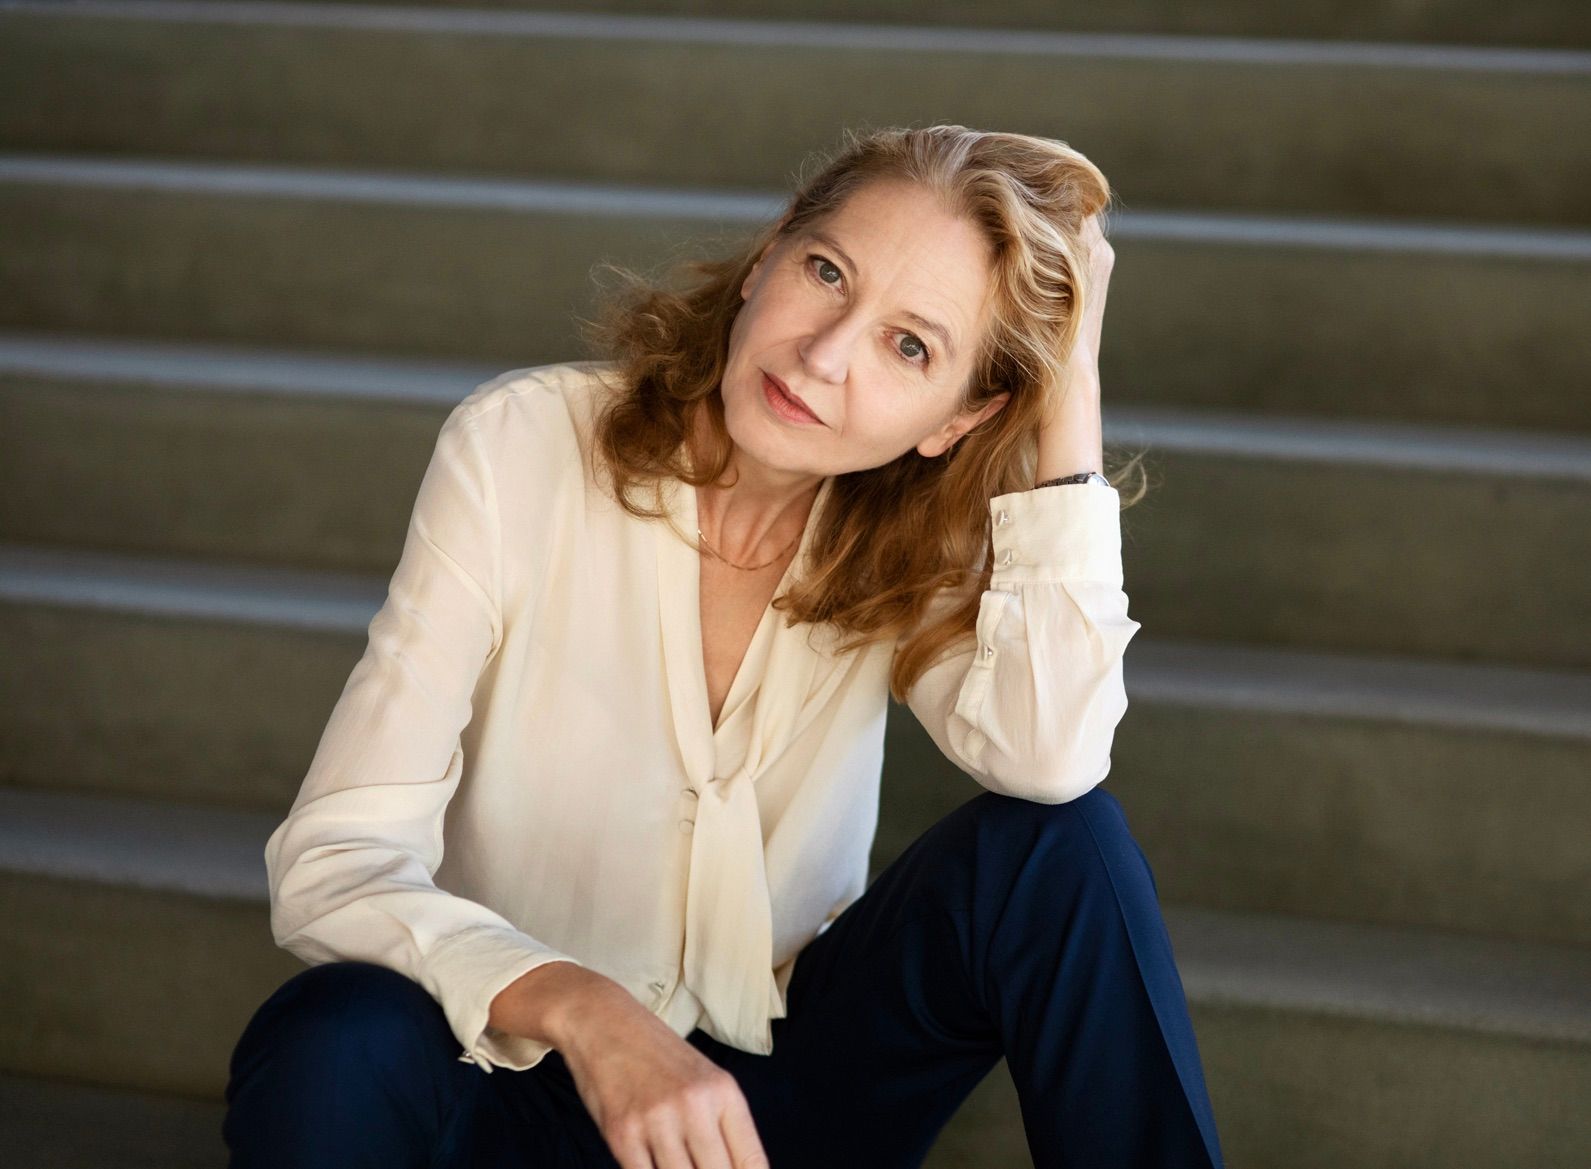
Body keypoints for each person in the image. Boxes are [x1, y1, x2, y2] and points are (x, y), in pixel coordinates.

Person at [223, 124, 1225, 1169]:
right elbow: (335, 864)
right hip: (510, 1076)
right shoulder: (520, 447)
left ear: (956, 419)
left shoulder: (912, 537)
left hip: (771, 1116)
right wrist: (587, 1008)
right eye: (825, 272)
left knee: (1059, 852)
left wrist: (1069, 387)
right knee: (333, 1037)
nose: (823, 355)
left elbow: (1051, 759)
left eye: (910, 347)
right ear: (767, 254)